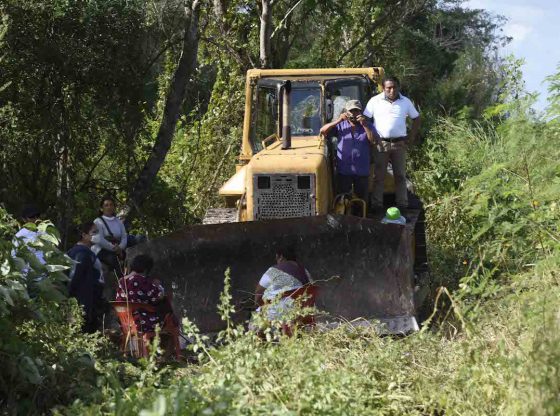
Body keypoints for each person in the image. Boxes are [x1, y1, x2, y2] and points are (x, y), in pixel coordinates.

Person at [363, 76, 420, 210]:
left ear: (398, 87)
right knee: (379, 176)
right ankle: (377, 205)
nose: (392, 90)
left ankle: (402, 205)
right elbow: (365, 119)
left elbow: (417, 119)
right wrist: (371, 136)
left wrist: (411, 137)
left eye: (394, 87)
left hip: (399, 144)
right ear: (383, 88)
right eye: (389, 88)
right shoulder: (375, 101)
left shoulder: (405, 101)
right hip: (381, 143)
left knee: (400, 176)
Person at [320, 99, 377, 202]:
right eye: (352, 111)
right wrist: (338, 120)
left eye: (357, 111)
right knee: (342, 199)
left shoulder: (368, 125)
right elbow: (323, 131)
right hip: (344, 170)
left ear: (361, 112)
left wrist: (364, 125)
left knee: (362, 200)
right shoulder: (341, 125)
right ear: (346, 112)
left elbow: (373, 141)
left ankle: (361, 216)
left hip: (361, 170)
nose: (354, 114)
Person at [254, 246, 312, 322]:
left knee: (254, 321)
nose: (277, 261)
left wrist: (257, 305)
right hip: (300, 314)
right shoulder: (305, 272)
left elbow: (258, 292)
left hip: (276, 314)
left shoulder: (273, 271)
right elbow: (311, 290)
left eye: (276, 258)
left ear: (281, 256)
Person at [67, 221, 104, 333]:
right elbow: (73, 278)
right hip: (82, 303)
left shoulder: (86, 252)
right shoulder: (81, 253)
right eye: (94, 232)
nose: (97, 235)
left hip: (89, 302)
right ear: (84, 235)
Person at [115, 254, 167, 333]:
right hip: (143, 323)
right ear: (146, 269)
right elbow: (157, 298)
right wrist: (159, 287)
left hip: (125, 323)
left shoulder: (121, 281)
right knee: (166, 314)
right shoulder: (142, 281)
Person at [92, 196, 127, 277]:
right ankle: (122, 283)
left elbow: (124, 236)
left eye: (111, 205)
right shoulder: (97, 221)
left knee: (127, 257)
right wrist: (114, 248)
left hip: (117, 248)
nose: (109, 207)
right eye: (106, 205)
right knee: (114, 260)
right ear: (102, 208)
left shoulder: (118, 221)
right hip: (101, 250)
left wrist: (120, 248)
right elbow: (99, 240)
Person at [12, 204, 47, 279]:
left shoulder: (44, 232)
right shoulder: (19, 236)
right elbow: (14, 257)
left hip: (44, 277)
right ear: (24, 219)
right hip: (29, 278)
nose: (35, 219)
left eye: (37, 216)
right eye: (31, 217)